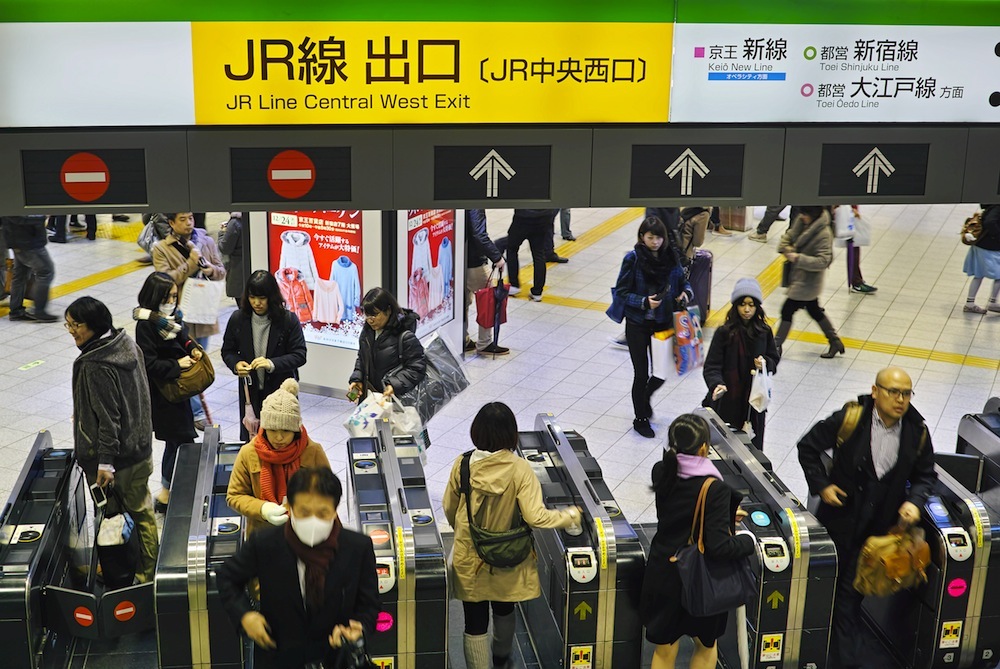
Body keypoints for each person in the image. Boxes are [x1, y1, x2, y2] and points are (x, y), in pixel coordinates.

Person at [797, 367, 936, 669]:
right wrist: (822, 486)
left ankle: (843, 661)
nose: (901, 400)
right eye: (893, 392)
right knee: (826, 593)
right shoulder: (851, 419)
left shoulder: (917, 431)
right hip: (838, 525)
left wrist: (914, 502)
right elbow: (807, 447)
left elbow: (926, 475)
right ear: (876, 392)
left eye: (907, 394)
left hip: (877, 535)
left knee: (848, 601)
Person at [442, 402, 582, 669]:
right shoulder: (520, 470)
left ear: (477, 431)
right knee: (505, 608)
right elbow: (535, 517)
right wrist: (569, 516)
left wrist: (463, 533)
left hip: (471, 557)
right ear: (511, 434)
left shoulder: (463, 464)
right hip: (509, 556)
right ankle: (502, 658)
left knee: (474, 621)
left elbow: (449, 507)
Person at [217, 467, 380, 669]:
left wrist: (359, 628)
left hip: (337, 658)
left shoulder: (357, 547)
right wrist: (245, 616)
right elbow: (228, 577)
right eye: (304, 512)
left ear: (335, 510)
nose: (313, 520)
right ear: (289, 507)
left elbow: (369, 604)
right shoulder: (265, 544)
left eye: (323, 513)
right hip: (279, 655)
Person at [641, 414, 756, 669]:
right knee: (705, 645)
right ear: (704, 448)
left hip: (664, 571)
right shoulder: (715, 487)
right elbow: (717, 546)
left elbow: (680, 511)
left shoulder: (661, 471)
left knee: (664, 650)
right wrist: (750, 544)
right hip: (700, 578)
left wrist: (722, 514)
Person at [66, 296, 160, 583]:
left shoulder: (97, 363)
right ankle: (125, 566)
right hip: (139, 446)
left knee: (134, 514)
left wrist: (105, 462)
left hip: (118, 459)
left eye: (76, 325)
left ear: (94, 325)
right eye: (68, 325)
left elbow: (109, 419)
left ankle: (145, 576)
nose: (72, 331)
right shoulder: (124, 343)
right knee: (138, 509)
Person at [612, 216, 693, 438]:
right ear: (642, 237)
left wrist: (686, 293)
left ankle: (645, 396)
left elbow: (683, 282)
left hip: (663, 323)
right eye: (651, 237)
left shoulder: (671, 257)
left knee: (661, 372)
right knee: (641, 373)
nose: (655, 242)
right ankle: (640, 418)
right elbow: (621, 292)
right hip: (638, 324)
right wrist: (644, 301)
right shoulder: (633, 259)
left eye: (659, 237)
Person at [227, 378, 330, 536]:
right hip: (262, 536)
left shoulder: (313, 452)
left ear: (295, 430)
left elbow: (328, 493)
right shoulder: (249, 453)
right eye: (273, 430)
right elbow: (235, 495)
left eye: (285, 431)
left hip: (305, 535)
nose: (279, 438)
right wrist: (262, 508)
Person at [151, 211, 226, 429]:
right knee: (184, 360)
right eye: (182, 219)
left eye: (190, 218)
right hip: (179, 313)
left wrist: (209, 269)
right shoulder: (161, 248)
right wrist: (191, 266)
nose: (188, 223)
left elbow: (221, 271)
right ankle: (195, 411)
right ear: (171, 223)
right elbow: (164, 279)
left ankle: (194, 401)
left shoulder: (206, 241)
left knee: (199, 358)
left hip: (203, 308)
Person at [133, 272, 200, 511]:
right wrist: (176, 365)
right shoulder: (146, 326)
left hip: (178, 392)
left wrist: (191, 348)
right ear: (155, 296)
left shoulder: (171, 318)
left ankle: (169, 491)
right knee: (180, 441)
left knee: (181, 441)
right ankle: (166, 493)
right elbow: (148, 365)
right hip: (164, 396)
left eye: (174, 295)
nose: (172, 300)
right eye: (168, 296)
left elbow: (183, 337)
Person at [222, 270, 308, 442]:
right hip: (250, 393)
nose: (257, 303)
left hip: (280, 393)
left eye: (262, 298)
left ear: (271, 297)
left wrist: (271, 363)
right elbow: (228, 351)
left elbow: (300, 355)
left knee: (281, 441)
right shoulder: (238, 319)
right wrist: (236, 364)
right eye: (252, 297)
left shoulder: (287, 320)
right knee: (254, 442)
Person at [702, 278, 780, 450]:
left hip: (753, 403)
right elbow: (712, 366)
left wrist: (765, 363)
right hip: (728, 400)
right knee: (724, 449)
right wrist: (717, 384)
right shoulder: (724, 333)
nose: (747, 309)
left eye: (751, 305)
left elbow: (774, 359)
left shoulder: (764, 331)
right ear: (735, 306)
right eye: (742, 304)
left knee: (753, 449)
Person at [775, 206, 844, 358]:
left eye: (805, 214)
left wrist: (798, 258)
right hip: (799, 278)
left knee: (787, 310)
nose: (802, 217)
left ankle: (776, 345)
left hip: (808, 282)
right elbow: (789, 236)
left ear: (813, 215)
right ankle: (835, 341)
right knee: (814, 310)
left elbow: (823, 261)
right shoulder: (801, 222)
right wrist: (786, 247)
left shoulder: (824, 234)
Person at [348, 287, 426, 402]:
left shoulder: (404, 336)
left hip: (395, 401)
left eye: (374, 315)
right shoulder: (367, 333)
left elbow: (416, 367)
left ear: (388, 310)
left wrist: (394, 385)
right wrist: (357, 379)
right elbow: (362, 358)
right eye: (367, 315)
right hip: (373, 399)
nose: (370, 320)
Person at [464, 209, 509, 355]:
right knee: (489, 301)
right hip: (475, 262)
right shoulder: (475, 204)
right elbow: (479, 234)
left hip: (458, 259)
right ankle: (485, 343)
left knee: (462, 301)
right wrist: (497, 257)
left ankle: (462, 339)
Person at [2, 215, 57, 322]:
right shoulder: (15, 201)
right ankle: (39, 311)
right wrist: (42, 217)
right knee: (46, 272)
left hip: (18, 240)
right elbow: (19, 218)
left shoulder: (8, 200)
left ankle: (16, 310)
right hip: (28, 242)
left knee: (20, 275)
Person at [506, 209, 561, 302]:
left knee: (512, 249)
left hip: (523, 217)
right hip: (543, 217)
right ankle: (537, 292)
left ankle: (514, 285)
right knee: (539, 254)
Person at [962, 204, 1000, 314]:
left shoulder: (992, 203)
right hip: (990, 247)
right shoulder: (997, 207)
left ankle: (970, 303)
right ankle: (992, 302)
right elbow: (990, 222)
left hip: (980, 243)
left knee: (978, 274)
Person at [218, 212, 246, 307]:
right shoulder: (251, 217)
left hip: (237, 271)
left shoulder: (234, 223)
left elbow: (225, 248)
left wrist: (222, 233)